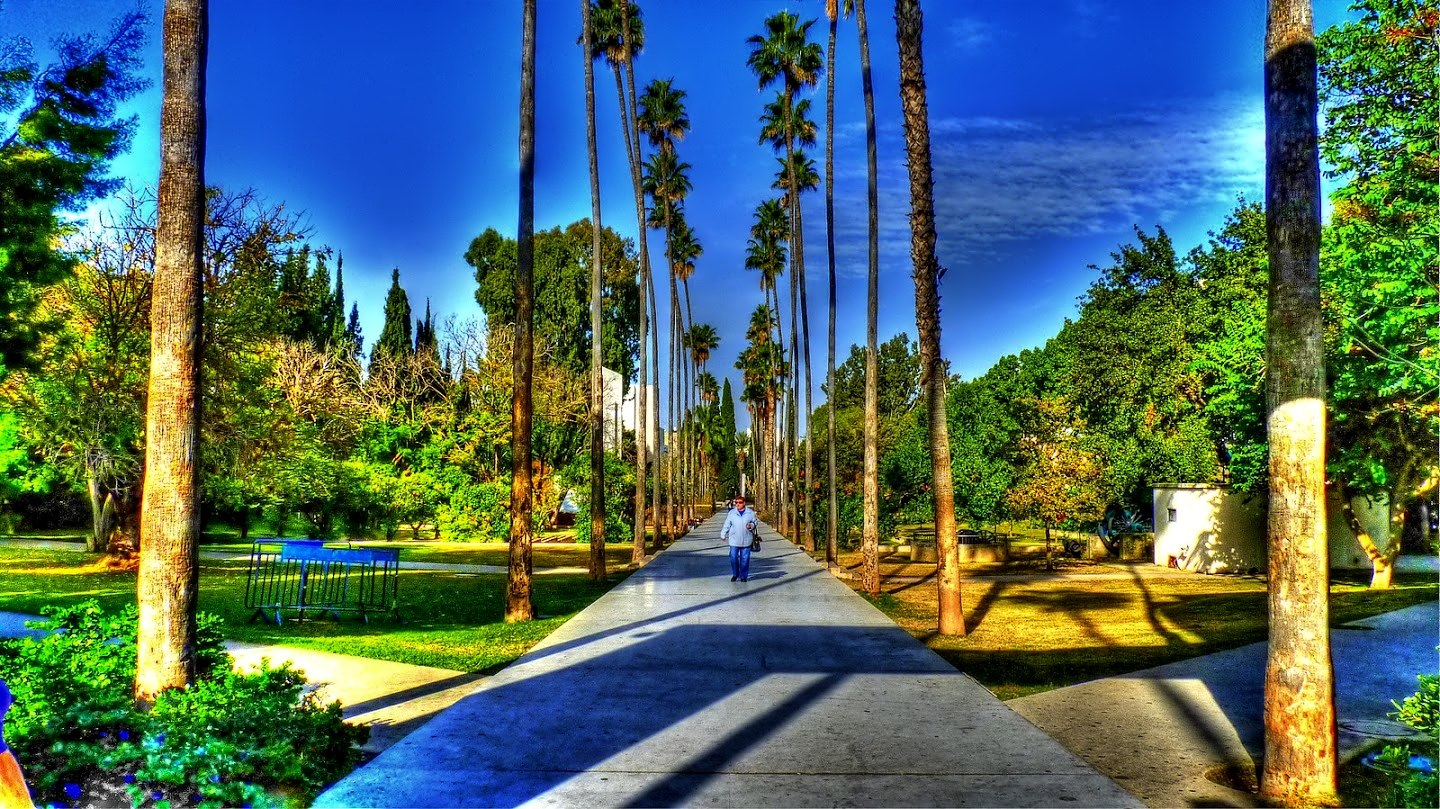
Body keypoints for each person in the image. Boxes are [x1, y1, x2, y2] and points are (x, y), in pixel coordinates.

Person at [719, 495, 758, 582]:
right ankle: (735, 574)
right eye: (736, 502)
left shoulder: (750, 513)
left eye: (740, 502)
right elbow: (727, 524)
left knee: (745, 559)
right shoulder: (732, 513)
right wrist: (723, 534)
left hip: (746, 540)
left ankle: (743, 576)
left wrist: (751, 525)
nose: (738, 504)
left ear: (744, 503)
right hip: (734, 540)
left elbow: (755, 522)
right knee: (733, 557)